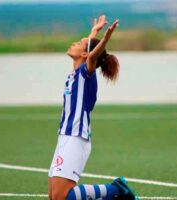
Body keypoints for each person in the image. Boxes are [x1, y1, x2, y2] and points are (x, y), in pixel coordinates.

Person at [48, 15, 139, 200]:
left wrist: (105, 39)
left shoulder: (85, 73)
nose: (73, 43)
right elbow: (89, 51)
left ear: (85, 54)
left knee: (60, 197)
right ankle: (114, 192)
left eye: (78, 43)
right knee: (53, 196)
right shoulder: (74, 74)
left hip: (76, 138)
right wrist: (94, 32)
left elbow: (92, 55)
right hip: (65, 137)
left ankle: (116, 190)